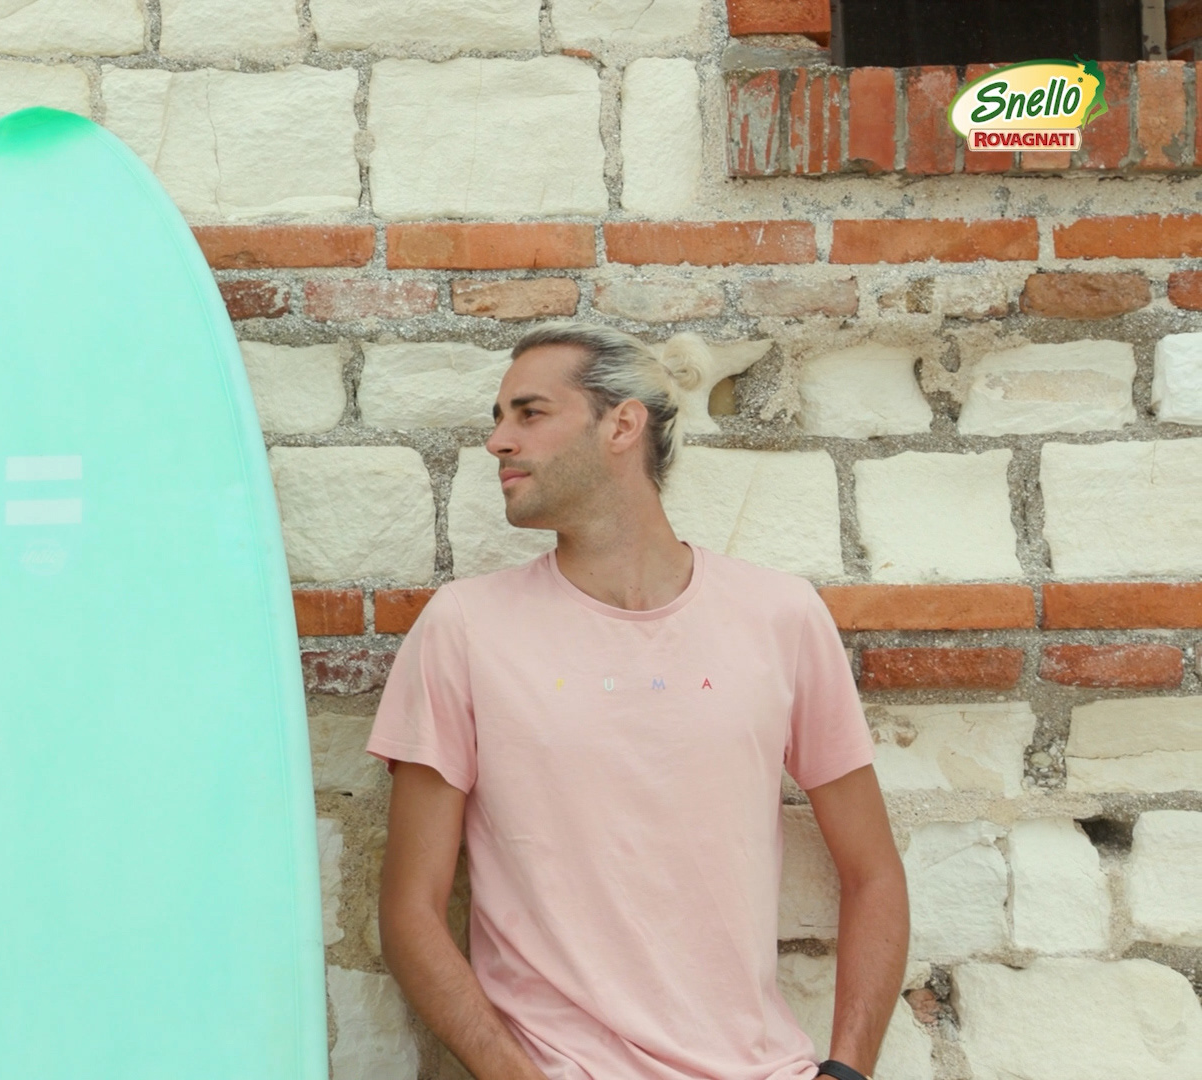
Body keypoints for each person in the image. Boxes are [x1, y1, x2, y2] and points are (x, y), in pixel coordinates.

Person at [366, 323, 909, 1080]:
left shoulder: (780, 615)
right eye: (498, 417)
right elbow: (410, 912)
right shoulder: (464, 627)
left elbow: (873, 872)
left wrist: (847, 1071)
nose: (497, 441)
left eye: (529, 413)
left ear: (622, 424)